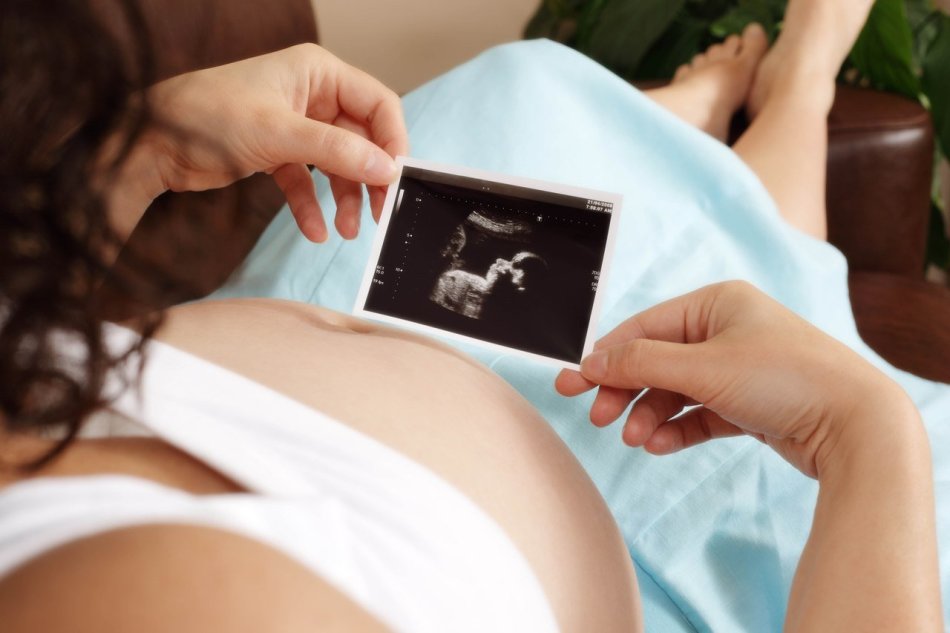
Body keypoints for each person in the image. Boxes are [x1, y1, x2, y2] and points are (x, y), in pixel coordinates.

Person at [0, 1, 944, 632]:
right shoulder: (128, 596)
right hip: (691, 554)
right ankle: (795, 94)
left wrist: (148, 152)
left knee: (523, 95)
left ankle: (695, 110)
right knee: (769, 298)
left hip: (333, 322)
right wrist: (866, 435)